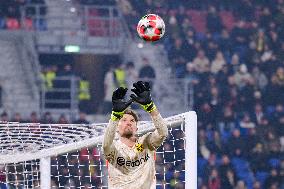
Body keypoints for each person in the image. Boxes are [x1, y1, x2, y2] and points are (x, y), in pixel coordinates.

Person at [103, 81, 168, 189]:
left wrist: (151, 107)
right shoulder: (113, 148)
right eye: (123, 120)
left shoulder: (146, 143)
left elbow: (163, 133)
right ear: (117, 127)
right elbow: (106, 145)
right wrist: (115, 116)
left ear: (136, 127)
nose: (128, 122)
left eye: (132, 121)